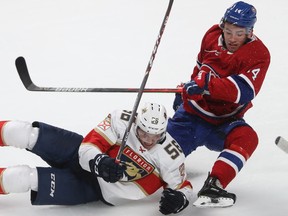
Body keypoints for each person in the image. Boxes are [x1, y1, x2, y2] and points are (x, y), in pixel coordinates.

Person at [0, 102, 193, 215]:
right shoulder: (122, 119)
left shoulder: (171, 155)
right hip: (77, 154)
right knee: (22, 132)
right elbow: (89, 147)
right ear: (136, 124)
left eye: (156, 136)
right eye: (144, 134)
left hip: (94, 190)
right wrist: (99, 162)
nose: (149, 141)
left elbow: (183, 187)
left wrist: (180, 200)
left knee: (22, 178)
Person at [168, 1, 270, 208]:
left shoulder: (259, 54)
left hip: (225, 122)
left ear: (250, 32)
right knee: (155, 162)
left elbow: (244, 91)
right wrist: (187, 90)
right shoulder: (212, 35)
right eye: (229, 31)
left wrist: (206, 85)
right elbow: (199, 68)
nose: (232, 38)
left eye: (239, 33)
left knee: (247, 138)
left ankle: (214, 185)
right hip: (192, 116)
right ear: (222, 25)